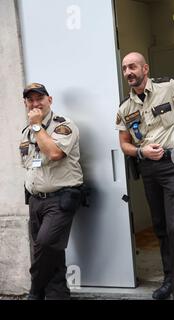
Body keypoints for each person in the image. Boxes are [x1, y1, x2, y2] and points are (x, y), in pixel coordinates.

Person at [116, 52, 174, 300]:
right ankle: (169, 280)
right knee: (161, 227)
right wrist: (140, 151)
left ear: (145, 68)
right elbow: (124, 143)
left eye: (132, 67)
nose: (128, 72)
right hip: (148, 169)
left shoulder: (168, 87)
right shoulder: (125, 107)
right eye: (125, 68)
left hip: (173, 165)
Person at [20, 83, 84, 299]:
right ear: (26, 103)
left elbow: (55, 153)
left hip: (60, 199)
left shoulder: (63, 126)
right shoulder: (25, 131)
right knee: (52, 253)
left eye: (39, 98)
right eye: (30, 100)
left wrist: (38, 127)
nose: (35, 103)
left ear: (50, 100)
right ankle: (59, 295)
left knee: (45, 245)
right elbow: (29, 164)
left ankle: (35, 292)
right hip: (36, 201)